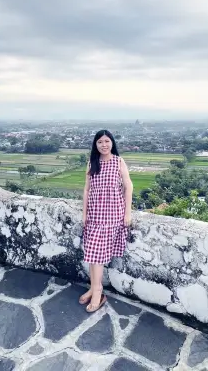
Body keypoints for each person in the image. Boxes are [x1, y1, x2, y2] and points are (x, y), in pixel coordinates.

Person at [79, 129, 133, 312]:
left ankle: (97, 292)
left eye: (107, 141)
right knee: (93, 254)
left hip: (112, 215)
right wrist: (84, 213)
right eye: (100, 142)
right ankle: (95, 288)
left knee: (98, 256)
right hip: (95, 214)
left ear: (112, 143)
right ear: (96, 145)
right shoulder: (92, 163)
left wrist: (128, 213)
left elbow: (128, 186)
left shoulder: (119, 161)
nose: (104, 145)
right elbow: (87, 190)